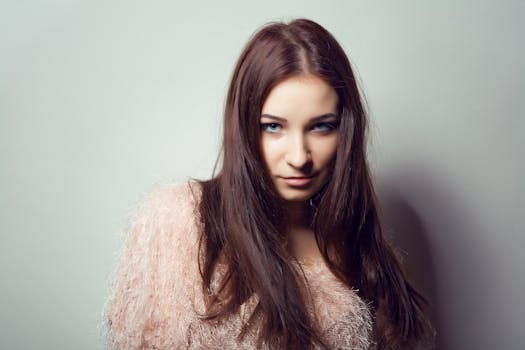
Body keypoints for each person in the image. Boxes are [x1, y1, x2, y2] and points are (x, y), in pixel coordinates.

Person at [103, 18, 434, 349]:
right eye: (274, 127)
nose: (299, 156)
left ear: (345, 130)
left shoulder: (361, 250)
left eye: (321, 127)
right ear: (244, 127)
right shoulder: (178, 221)